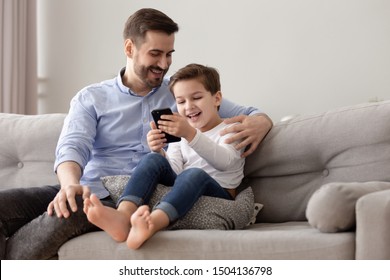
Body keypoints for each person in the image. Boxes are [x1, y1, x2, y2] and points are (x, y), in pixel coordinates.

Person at [0, 8, 272, 260]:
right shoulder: (92, 97)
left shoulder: (181, 94)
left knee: (68, 213)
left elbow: (246, 111)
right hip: (85, 187)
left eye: (169, 54)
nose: (164, 63)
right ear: (130, 48)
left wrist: (261, 122)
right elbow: (73, 146)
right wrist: (70, 184)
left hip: (116, 198)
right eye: (155, 54)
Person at [84, 63, 246, 249]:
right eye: (181, 101)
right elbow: (175, 170)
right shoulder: (184, 133)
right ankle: (123, 215)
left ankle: (152, 223)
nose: (189, 106)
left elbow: (225, 162)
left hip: (220, 193)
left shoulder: (231, 130)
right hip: (185, 185)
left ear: (216, 98)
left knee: (193, 173)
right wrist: (159, 150)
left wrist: (190, 135)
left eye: (197, 97)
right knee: (153, 159)